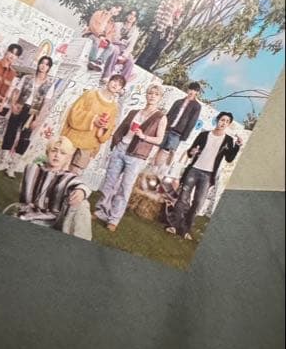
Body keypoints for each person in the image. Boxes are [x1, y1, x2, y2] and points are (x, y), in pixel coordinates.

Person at [95, 83, 167, 231]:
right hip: (121, 149)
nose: (152, 96)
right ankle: (100, 212)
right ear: (146, 95)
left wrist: (144, 136)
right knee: (109, 183)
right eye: (150, 93)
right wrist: (117, 143)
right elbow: (121, 128)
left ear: (160, 98)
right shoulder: (134, 112)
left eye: (156, 94)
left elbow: (159, 140)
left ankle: (114, 219)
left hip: (136, 156)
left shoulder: (160, 117)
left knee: (125, 187)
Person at [166, 112, 242, 240]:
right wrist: (192, 152)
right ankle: (174, 226)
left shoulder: (228, 140)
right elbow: (190, 152)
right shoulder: (203, 134)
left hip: (208, 175)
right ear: (217, 120)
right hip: (194, 170)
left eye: (226, 121)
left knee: (198, 203)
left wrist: (237, 146)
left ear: (228, 124)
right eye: (222, 120)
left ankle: (185, 230)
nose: (223, 123)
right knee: (183, 199)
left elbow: (229, 159)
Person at [7, 137, 92, 240]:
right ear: (47, 152)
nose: (57, 155)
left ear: (67, 158)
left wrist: (81, 191)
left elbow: (81, 185)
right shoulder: (32, 168)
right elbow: (23, 198)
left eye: (62, 153)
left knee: (83, 204)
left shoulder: (67, 177)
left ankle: (80, 242)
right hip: (29, 213)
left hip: (53, 220)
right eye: (54, 151)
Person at [0, 55, 54, 177]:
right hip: (19, 107)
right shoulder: (27, 78)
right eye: (42, 63)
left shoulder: (50, 84)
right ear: (38, 64)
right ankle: (3, 162)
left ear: (49, 68)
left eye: (46, 64)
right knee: (10, 133)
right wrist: (13, 104)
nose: (43, 66)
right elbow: (16, 91)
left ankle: (12, 167)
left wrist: (38, 120)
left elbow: (46, 104)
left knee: (24, 139)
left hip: (33, 113)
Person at [61, 74, 126, 172]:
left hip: (89, 145)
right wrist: (93, 119)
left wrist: (103, 127)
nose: (116, 85)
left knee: (74, 174)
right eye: (114, 81)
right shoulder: (90, 94)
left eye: (120, 84)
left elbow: (109, 129)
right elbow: (74, 112)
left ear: (120, 89)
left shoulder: (113, 108)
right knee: (60, 167)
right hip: (72, 138)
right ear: (109, 81)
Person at [153, 82, 202, 170]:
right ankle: (154, 167)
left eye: (195, 90)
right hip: (167, 128)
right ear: (188, 90)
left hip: (178, 132)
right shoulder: (178, 101)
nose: (192, 92)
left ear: (197, 93)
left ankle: (161, 169)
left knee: (169, 151)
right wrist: (162, 127)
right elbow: (169, 114)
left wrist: (185, 136)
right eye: (191, 89)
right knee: (160, 147)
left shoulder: (197, 106)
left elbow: (192, 122)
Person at [135, 0, 188, 70]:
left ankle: (147, 66)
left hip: (169, 30)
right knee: (152, 45)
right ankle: (139, 64)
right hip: (160, 26)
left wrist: (174, 26)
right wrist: (158, 23)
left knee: (158, 49)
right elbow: (159, 12)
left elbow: (177, 22)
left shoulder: (181, 9)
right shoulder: (168, 1)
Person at [100, 8, 140, 83]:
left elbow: (131, 45)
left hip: (125, 49)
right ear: (126, 15)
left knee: (130, 61)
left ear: (135, 19)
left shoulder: (135, 31)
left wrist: (125, 55)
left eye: (134, 16)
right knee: (115, 50)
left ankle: (121, 82)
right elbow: (111, 36)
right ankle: (106, 75)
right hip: (115, 44)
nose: (132, 17)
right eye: (130, 14)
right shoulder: (117, 25)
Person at [84, 4, 122, 71]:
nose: (116, 11)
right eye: (116, 8)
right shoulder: (99, 13)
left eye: (118, 11)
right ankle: (92, 61)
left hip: (103, 39)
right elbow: (92, 25)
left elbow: (111, 34)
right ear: (112, 7)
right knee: (96, 41)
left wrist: (107, 40)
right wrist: (100, 35)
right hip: (92, 34)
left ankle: (99, 62)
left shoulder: (112, 23)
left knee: (111, 47)